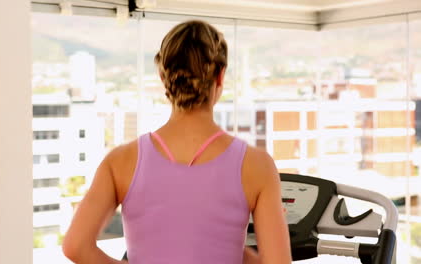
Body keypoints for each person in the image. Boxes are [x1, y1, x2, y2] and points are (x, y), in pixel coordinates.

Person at [62, 20, 291, 264]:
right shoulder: (257, 166)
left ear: (163, 77)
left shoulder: (120, 162)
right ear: (220, 76)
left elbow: (75, 246)